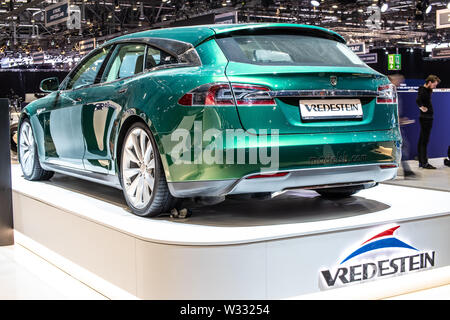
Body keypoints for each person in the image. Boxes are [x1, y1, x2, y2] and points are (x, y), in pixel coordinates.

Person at [389, 74, 416, 178]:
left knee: (402, 147)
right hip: (393, 126)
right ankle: (405, 171)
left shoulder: (395, 93)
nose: (400, 83)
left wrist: (400, 119)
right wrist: (398, 120)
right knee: (401, 147)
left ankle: (404, 170)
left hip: (397, 125)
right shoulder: (389, 93)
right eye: (398, 80)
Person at [416, 75, 441, 169]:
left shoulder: (426, 89)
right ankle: (424, 162)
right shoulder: (423, 90)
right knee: (424, 141)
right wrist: (422, 108)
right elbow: (418, 100)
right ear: (429, 82)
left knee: (422, 140)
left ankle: (421, 161)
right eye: (434, 85)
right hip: (426, 118)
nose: (435, 87)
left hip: (426, 118)